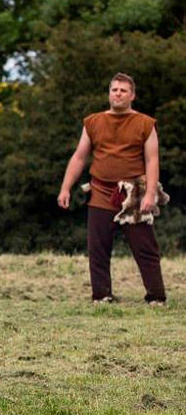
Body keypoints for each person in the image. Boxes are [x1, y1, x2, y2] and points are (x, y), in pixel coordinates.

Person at [58, 72, 167, 305]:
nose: (118, 94)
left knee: (145, 248)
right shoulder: (93, 122)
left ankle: (156, 297)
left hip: (133, 194)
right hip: (100, 191)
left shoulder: (145, 124)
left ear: (132, 95)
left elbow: (152, 161)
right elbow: (79, 157)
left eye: (123, 90)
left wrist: (149, 194)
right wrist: (65, 188)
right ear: (109, 93)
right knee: (98, 248)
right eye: (114, 90)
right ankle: (101, 295)